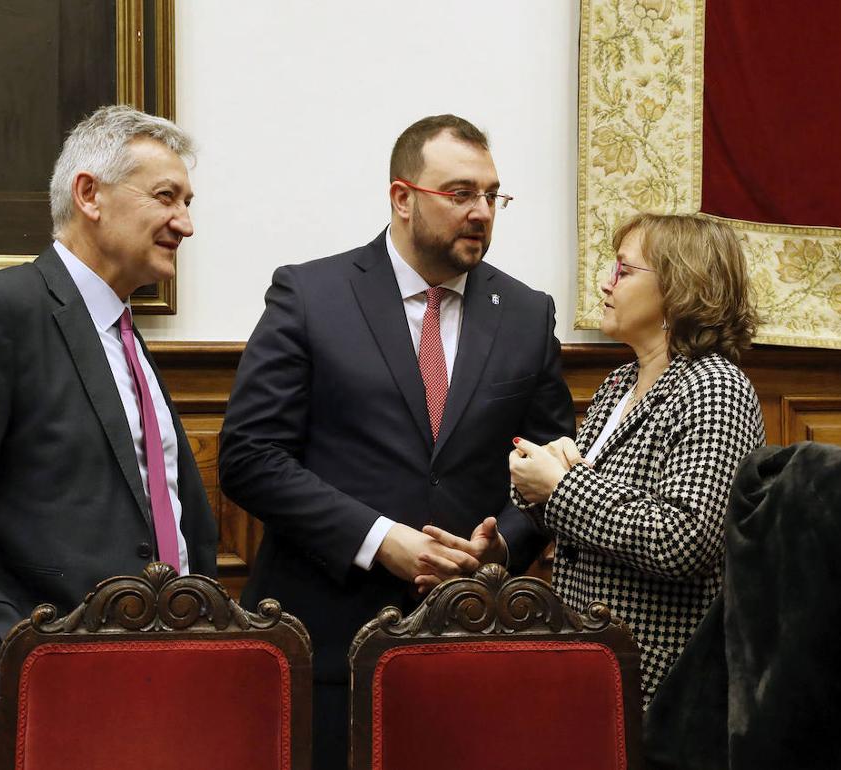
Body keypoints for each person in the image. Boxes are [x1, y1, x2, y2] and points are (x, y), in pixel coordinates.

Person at [218, 113, 575, 770]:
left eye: (492, 195)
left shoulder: (527, 314)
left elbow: (552, 464)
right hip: (323, 643)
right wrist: (382, 540)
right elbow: (249, 459)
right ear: (402, 198)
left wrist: (502, 548)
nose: (481, 212)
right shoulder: (311, 294)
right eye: (460, 193)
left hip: (470, 638)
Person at [0, 104, 219, 770]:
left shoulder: (125, 337)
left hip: (161, 691)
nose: (186, 223)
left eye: (189, 201)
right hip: (38, 699)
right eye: (166, 198)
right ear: (90, 194)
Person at [507, 213, 764, 705]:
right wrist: (536, 479)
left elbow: (684, 539)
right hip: (593, 665)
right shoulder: (620, 383)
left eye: (624, 271)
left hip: (663, 684)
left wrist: (563, 487)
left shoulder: (715, 387)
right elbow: (589, 514)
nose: (606, 281)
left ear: (679, 288)